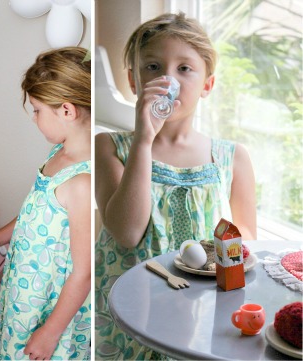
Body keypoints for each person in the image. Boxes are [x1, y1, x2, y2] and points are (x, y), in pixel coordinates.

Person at [95, 12, 256, 360]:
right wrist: (143, 140)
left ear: (207, 85)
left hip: (197, 313)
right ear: (134, 81)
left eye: (184, 68)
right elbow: (126, 233)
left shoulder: (232, 157)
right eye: (153, 67)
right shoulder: (110, 147)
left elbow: (243, 252)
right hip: (130, 312)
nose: (168, 78)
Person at [0, 47, 91, 360]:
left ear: (67, 111)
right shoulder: (59, 155)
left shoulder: (81, 184)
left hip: (48, 311)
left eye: (37, 110)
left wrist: (49, 333)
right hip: (25, 297)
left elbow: (84, 273)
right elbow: (32, 214)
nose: (34, 118)